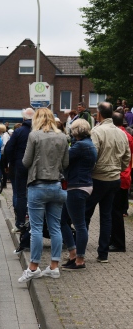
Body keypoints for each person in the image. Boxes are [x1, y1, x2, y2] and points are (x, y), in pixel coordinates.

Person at [18, 108, 69, 283]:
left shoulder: (34, 136)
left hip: (37, 185)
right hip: (56, 185)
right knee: (55, 227)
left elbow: (25, 161)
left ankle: (33, 268)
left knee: (37, 229)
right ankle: (54, 266)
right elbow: (66, 163)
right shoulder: (63, 137)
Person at [84, 102, 130, 263]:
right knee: (106, 216)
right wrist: (118, 168)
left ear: (99, 114)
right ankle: (103, 253)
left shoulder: (97, 131)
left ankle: (79, 253)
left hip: (98, 178)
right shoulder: (121, 133)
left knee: (85, 215)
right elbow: (127, 156)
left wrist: (92, 171)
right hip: (114, 178)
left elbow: (92, 155)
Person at [59, 119, 97, 270]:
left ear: (75, 131)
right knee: (63, 221)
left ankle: (79, 259)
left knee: (79, 225)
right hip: (85, 184)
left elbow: (63, 160)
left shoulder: (80, 146)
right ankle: (73, 254)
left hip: (77, 186)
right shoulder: (90, 144)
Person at [6, 108, 34, 233]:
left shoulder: (19, 131)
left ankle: (20, 222)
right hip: (35, 166)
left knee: (20, 193)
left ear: (23, 119)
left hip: (20, 165)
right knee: (34, 192)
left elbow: (9, 149)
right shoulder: (38, 131)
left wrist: (11, 162)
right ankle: (34, 222)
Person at [108, 112, 133, 252]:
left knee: (115, 211)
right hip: (125, 176)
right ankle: (115, 240)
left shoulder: (120, 135)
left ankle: (118, 243)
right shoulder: (127, 135)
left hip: (119, 175)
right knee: (116, 210)